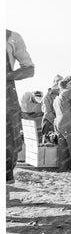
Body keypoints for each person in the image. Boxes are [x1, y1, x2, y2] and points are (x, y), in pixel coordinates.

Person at [6, 29, 35, 184]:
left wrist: (7, 76)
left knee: (9, 141)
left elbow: (29, 69)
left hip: (6, 93)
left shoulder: (11, 38)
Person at [41, 74, 63, 142]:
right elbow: (48, 113)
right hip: (49, 124)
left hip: (59, 124)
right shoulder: (47, 97)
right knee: (49, 145)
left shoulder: (61, 95)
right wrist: (57, 122)